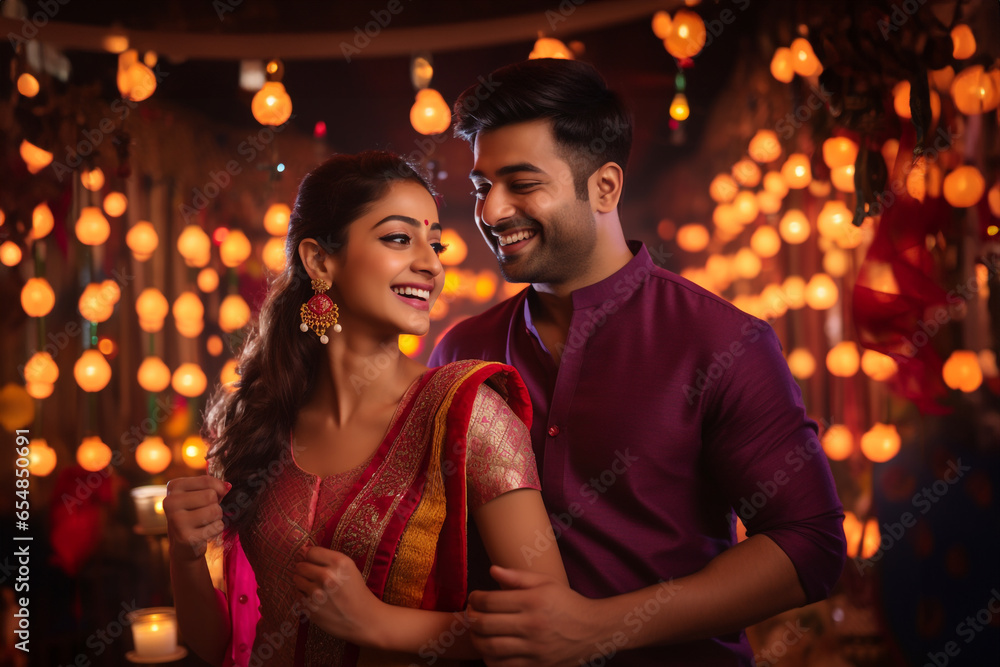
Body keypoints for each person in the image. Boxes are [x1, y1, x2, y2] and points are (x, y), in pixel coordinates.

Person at [429, 59, 847, 666]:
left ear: (604, 186)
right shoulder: (461, 352)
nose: (491, 212)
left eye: (521, 183)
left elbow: (810, 544)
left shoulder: (722, 342)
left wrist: (599, 627)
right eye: (480, 188)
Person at [164, 151, 567, 667]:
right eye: (400, 238)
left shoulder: (468, 415)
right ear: (319, 261)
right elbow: (213, 643)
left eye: (435, 243)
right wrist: (184, 555)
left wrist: (378, 622)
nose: (432, 263)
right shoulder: (263, 419)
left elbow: (548, 633)